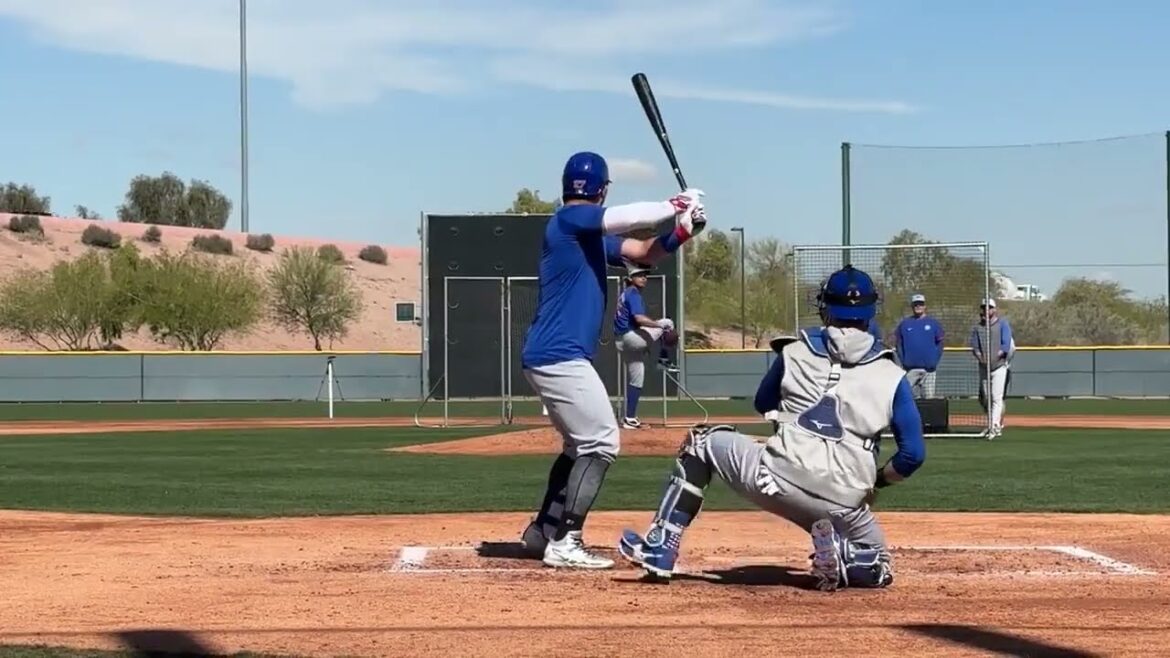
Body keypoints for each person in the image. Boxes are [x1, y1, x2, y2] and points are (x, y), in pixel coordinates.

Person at [617, 265, 926, 590]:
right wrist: (876, 482)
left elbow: (764, 403)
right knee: (878, 563)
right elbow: (913, 455)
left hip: (774, 478)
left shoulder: (794, 350)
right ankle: (844, 553)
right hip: (844, 503)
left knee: (701, 441)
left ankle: (661, 544)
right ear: (870, 311)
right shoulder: (892, 374)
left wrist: (793, 428)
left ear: (825, 307)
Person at [518, 151, 708, 569]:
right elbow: (627, 218)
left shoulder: (583, 237)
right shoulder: (569, 222)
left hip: (551, 355)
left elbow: (643, 252)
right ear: (602, 189)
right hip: (559, 355)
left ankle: (542, 532)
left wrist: (682, 231)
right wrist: (673, 205)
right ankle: (566, 540)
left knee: (576, 448)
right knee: (601, 441)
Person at [614, 264, 679, 430]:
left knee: (637, 378)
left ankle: (629, 418)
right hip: (630, 338)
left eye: (645, 275)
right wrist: (658, 326)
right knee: (667, 323)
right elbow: (639, 319)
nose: (644, 278)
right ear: (630, 279)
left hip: (622, 341)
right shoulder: (633, 293)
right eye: (639, 275)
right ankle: (664, 360)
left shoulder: (625, 294)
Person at [969, 298, 1014, 438]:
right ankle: (990, 424)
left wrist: (995, 358)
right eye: (984, 307)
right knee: (986, 398)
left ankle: (994, 426)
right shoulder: (978, 327)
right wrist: (982, 359)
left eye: (989, 307)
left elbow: (1005, 345)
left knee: (996, 397)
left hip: (999, 366)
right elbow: (975, 347)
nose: (986, 310)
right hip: (984, 367)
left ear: (994, 309)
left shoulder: (1002, 324)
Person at [893, 293, 945, 398]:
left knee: (929, 400)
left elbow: (940, 343)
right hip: (910, 370)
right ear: (912, 306)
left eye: (920, 304)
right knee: (906, 398)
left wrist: (934, 361)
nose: (918, 306)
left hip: (929, 371)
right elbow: (898, 343)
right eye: (916, 304)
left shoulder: (933, 323)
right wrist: (904, 361)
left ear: (925, 306)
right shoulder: (905, 324)